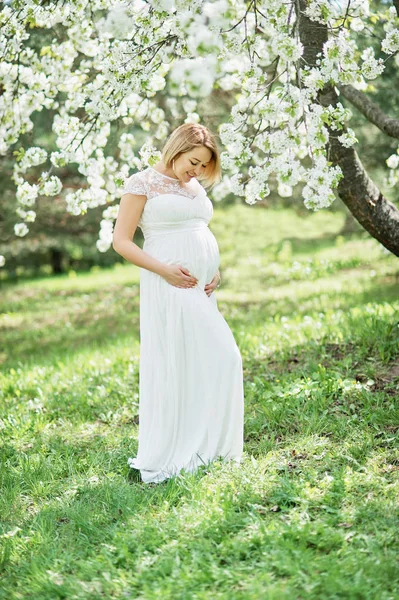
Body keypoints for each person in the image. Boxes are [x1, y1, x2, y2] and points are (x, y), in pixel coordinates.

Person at [112, 122, 244, 483]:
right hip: (168, 283)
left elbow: (197, 230)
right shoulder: (142, 183)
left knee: (204, 361)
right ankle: (177, 449)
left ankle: (209, 448)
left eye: (204, 166)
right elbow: (121, 242)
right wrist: (165, 272)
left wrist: (213, 270)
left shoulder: (193, 185)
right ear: (177, 148)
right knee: (214, 357)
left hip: (200, 286)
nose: (198, 171)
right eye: (194, 161)